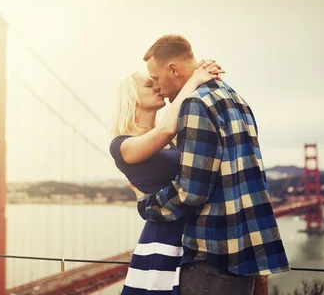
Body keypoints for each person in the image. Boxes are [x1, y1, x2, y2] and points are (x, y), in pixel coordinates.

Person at [129, 35, 291, 295]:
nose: (158, 88)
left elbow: (191, 191)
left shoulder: (195, 104)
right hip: (245, 256)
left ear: (173, 69)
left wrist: (146, 204)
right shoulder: (236, 99)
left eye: (156, 79)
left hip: (213, 256)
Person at [110, 59, 225, 294]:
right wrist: (194, 79)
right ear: (132, 97)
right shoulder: (122, 145)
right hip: (162, 236)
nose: (156, 86)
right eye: (148, 84)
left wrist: (195, 72)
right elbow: (165, 129)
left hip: (191, 232)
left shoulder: (167, 137)